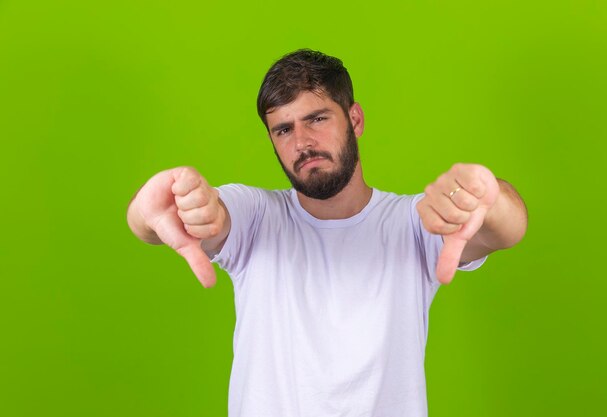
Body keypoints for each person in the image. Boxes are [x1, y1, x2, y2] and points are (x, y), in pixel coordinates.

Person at [127, 49, 528, 417]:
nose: (302, 142)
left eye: (317, 119)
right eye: (283, 130)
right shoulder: (255, 217)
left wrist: (490, 199)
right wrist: (149, 211)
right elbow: (187, 217)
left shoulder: (414, 224)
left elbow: (507, 229)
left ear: (355, 119)